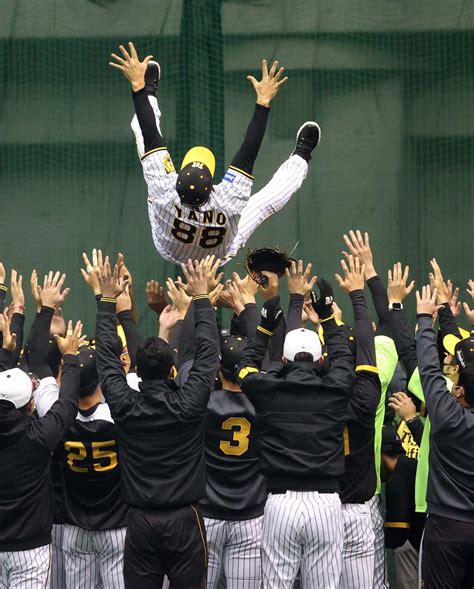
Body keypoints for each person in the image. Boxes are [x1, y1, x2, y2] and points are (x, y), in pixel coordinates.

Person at [109, 42, 320, 264]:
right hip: (216, 257)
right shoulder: (226, 200)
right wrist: (263, 102)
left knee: (144, 139)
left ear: (177, 180)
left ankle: (149, 91)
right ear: (212, 188)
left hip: (168, 248)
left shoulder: (165, 190)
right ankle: (302, 156)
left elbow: (150, 132)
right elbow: (248, 151)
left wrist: (138, 86)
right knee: (262, 204)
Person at [94, 256, 220, 588]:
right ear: (171, 369)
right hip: (184, 520)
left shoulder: (124, 404)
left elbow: (107, 361)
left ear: (136, 368)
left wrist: (107, 302)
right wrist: (202, 298)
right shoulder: (189, 402)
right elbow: (207, 354)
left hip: (139, 522)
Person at [237, 259, 354, 589]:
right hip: (326, 503)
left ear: (285, 360)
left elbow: (245, 370)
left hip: (280, 504)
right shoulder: (334, 389)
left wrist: (262, 329)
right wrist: (329, 317)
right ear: (320, 360)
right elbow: (344, 360)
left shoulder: (269, 390)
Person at [0, 305, 82, 589]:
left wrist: (6, 355)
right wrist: (71, 358)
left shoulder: (37, 434)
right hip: (29, 550)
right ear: (31, 405)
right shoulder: (38, 436)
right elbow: (68, 404)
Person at [416, 285, 474, 589]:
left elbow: (428, 368)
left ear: (460, 391)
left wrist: (426, 320)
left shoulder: (448, 416)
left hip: (445, 528)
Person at [199, 335, 267, 588]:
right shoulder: (264, 405)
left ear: (219, 368)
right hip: (250, 517)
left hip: (208, 514)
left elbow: (187, 369)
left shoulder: (203, 404)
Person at [380, 426, 424, 589]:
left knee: (402, 549)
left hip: (415, 546)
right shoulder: (413, 464)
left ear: (381, 453)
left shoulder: (396, 480)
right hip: (438, 540)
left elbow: (396, 537)